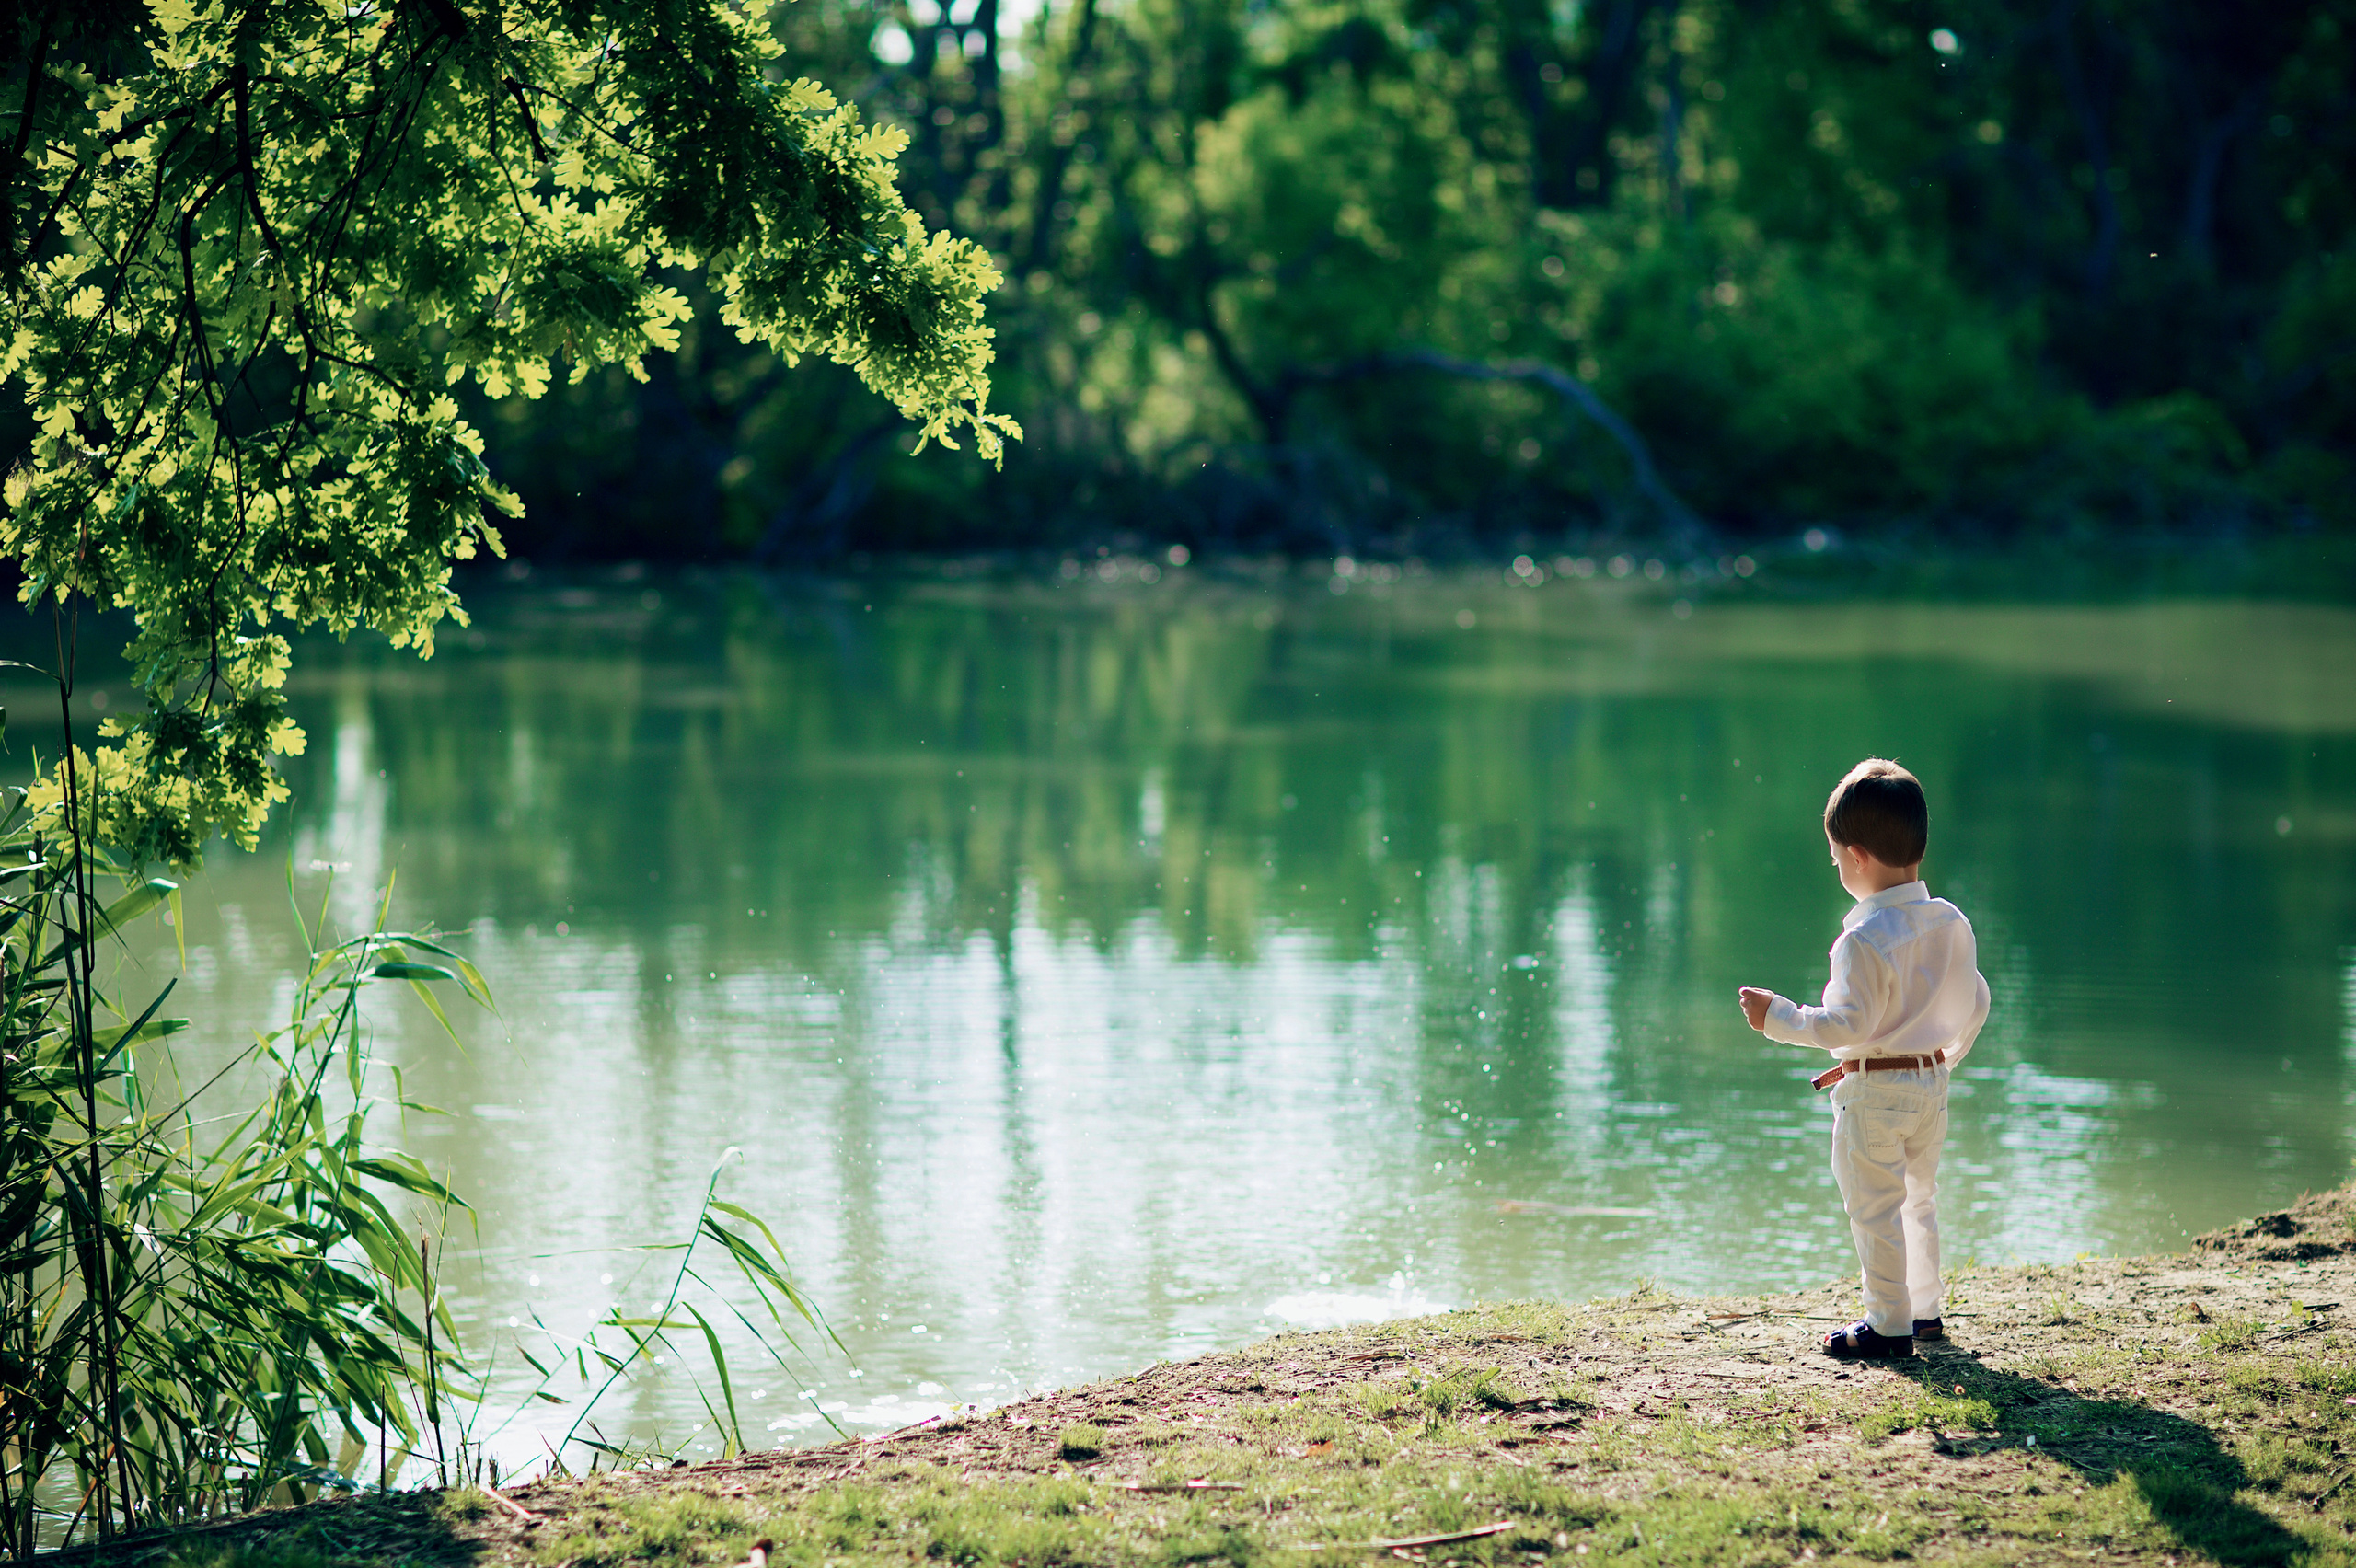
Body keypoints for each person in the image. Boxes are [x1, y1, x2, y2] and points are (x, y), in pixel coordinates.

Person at [1738, 758, 1990, 1361]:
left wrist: (1778, 1016)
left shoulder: (1861, 942)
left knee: (1875, 1208)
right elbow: (1976, 1001)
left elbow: (1845, 1026)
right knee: (1919, 1200)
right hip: (1931, 1084)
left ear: (1855, 857)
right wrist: (1943, 1060)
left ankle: (1888, 1325)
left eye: (1834, 859)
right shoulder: (1951, 923)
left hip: (1875, 1097)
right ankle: (1924, 1314)